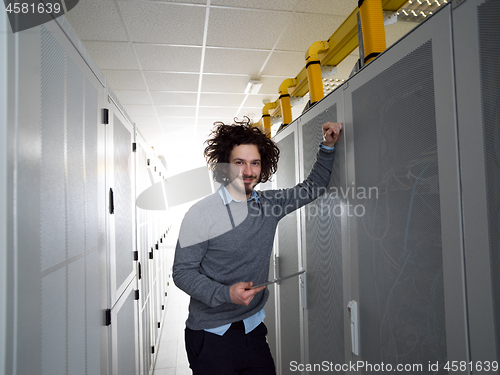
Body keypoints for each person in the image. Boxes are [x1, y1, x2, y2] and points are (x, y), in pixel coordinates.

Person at [172, 118, 342, 375]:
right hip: (211, 335)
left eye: (255, 163)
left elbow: (312, 187)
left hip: (252, 330)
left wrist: (328, 145)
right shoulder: (201, 214)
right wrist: (226, 293)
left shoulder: (269, 205)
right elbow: (182, 273)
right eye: (239, 162)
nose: (248, 171)